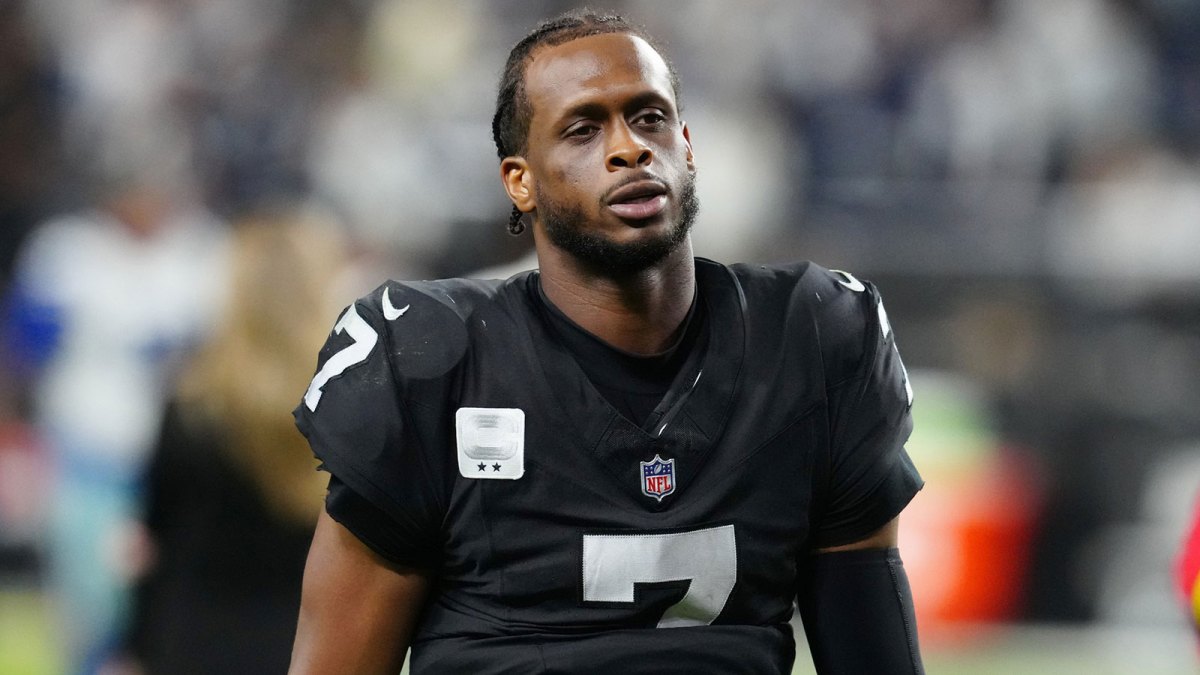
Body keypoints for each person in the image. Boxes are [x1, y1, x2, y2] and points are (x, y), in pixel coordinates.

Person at [291, 11, 924, 675]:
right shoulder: (431, 356)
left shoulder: (815, 335)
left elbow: (873, 652)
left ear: (687, 144)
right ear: (520, 180)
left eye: (649, 118)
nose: (628, 148)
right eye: (583, 129)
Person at [127, 213, 350, 673]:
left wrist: (133, 647)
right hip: (304, 647)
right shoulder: (353, 409)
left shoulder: (191, 407)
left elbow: (154, 541)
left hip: (189, 643)